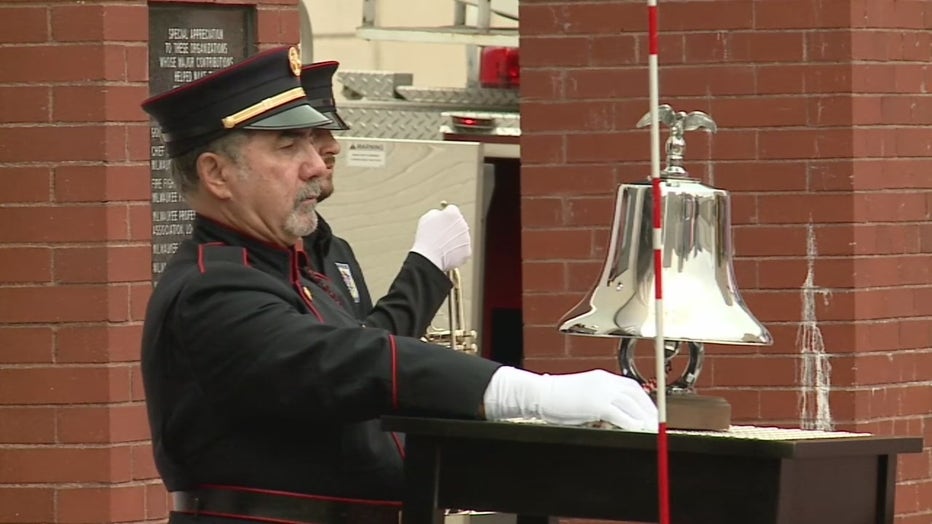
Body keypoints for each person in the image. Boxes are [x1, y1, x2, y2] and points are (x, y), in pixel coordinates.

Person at [140, 45, 659, 524]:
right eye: (287, 145)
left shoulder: (296, 270)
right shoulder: (215, 288)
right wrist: (527, 393)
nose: (317, 163)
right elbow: (352, 364)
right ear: (217, 175)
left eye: (312, 144)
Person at [298, 60, 458, 337]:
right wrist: (427, 264)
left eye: (330, 133)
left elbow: (370, 345)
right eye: (314, 136)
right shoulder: (271, 262)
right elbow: (361, 359)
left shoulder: (336, 250)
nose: (334, 146)